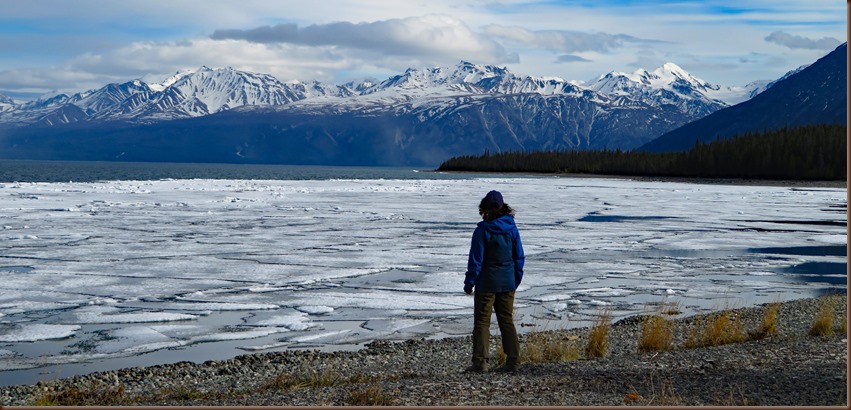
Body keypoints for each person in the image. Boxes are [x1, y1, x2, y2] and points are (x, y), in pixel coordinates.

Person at [463, 190, 525, 373]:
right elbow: (519, 257)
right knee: (506, 320)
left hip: (486, 284)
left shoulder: (482, 230)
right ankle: (513, 361)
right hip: (507, 282)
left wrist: (469, 282)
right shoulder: (512, 229)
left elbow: (475, 260)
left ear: (488, 210)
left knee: (482, 322)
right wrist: (515, 279)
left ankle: (480, 363)